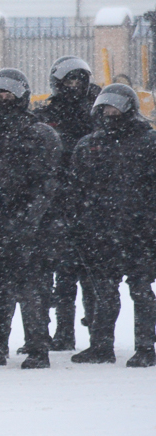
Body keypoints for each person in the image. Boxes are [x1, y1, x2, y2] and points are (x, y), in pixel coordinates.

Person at [0, 68, 60, 368]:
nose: (3, 100)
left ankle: (38, 349)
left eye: (9, 95)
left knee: (29, 289)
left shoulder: (41, 133)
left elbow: (47, 184)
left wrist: (29, 220)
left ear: (23, 97)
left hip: (27, 225)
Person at [66, 84, 156, 367]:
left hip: (139, 230)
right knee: (103, 290)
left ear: (129, 108)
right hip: (100, 231)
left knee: (140, 289)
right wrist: (77, 223)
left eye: (115, 106)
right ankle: (101, 345)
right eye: (105, 107)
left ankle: (145, 347)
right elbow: (76, 188)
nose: (109, 112)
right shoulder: (90, 144)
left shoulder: (148, 142)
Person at [34, 56, 100, 351]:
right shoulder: (47, 113)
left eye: (79, 80)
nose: (74, 86)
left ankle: (100, 334)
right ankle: (61, 332)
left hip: (90, 201)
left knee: (90, 272)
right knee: (59, 271)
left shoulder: (98, 112)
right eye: (69, 80)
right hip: (56, 201)